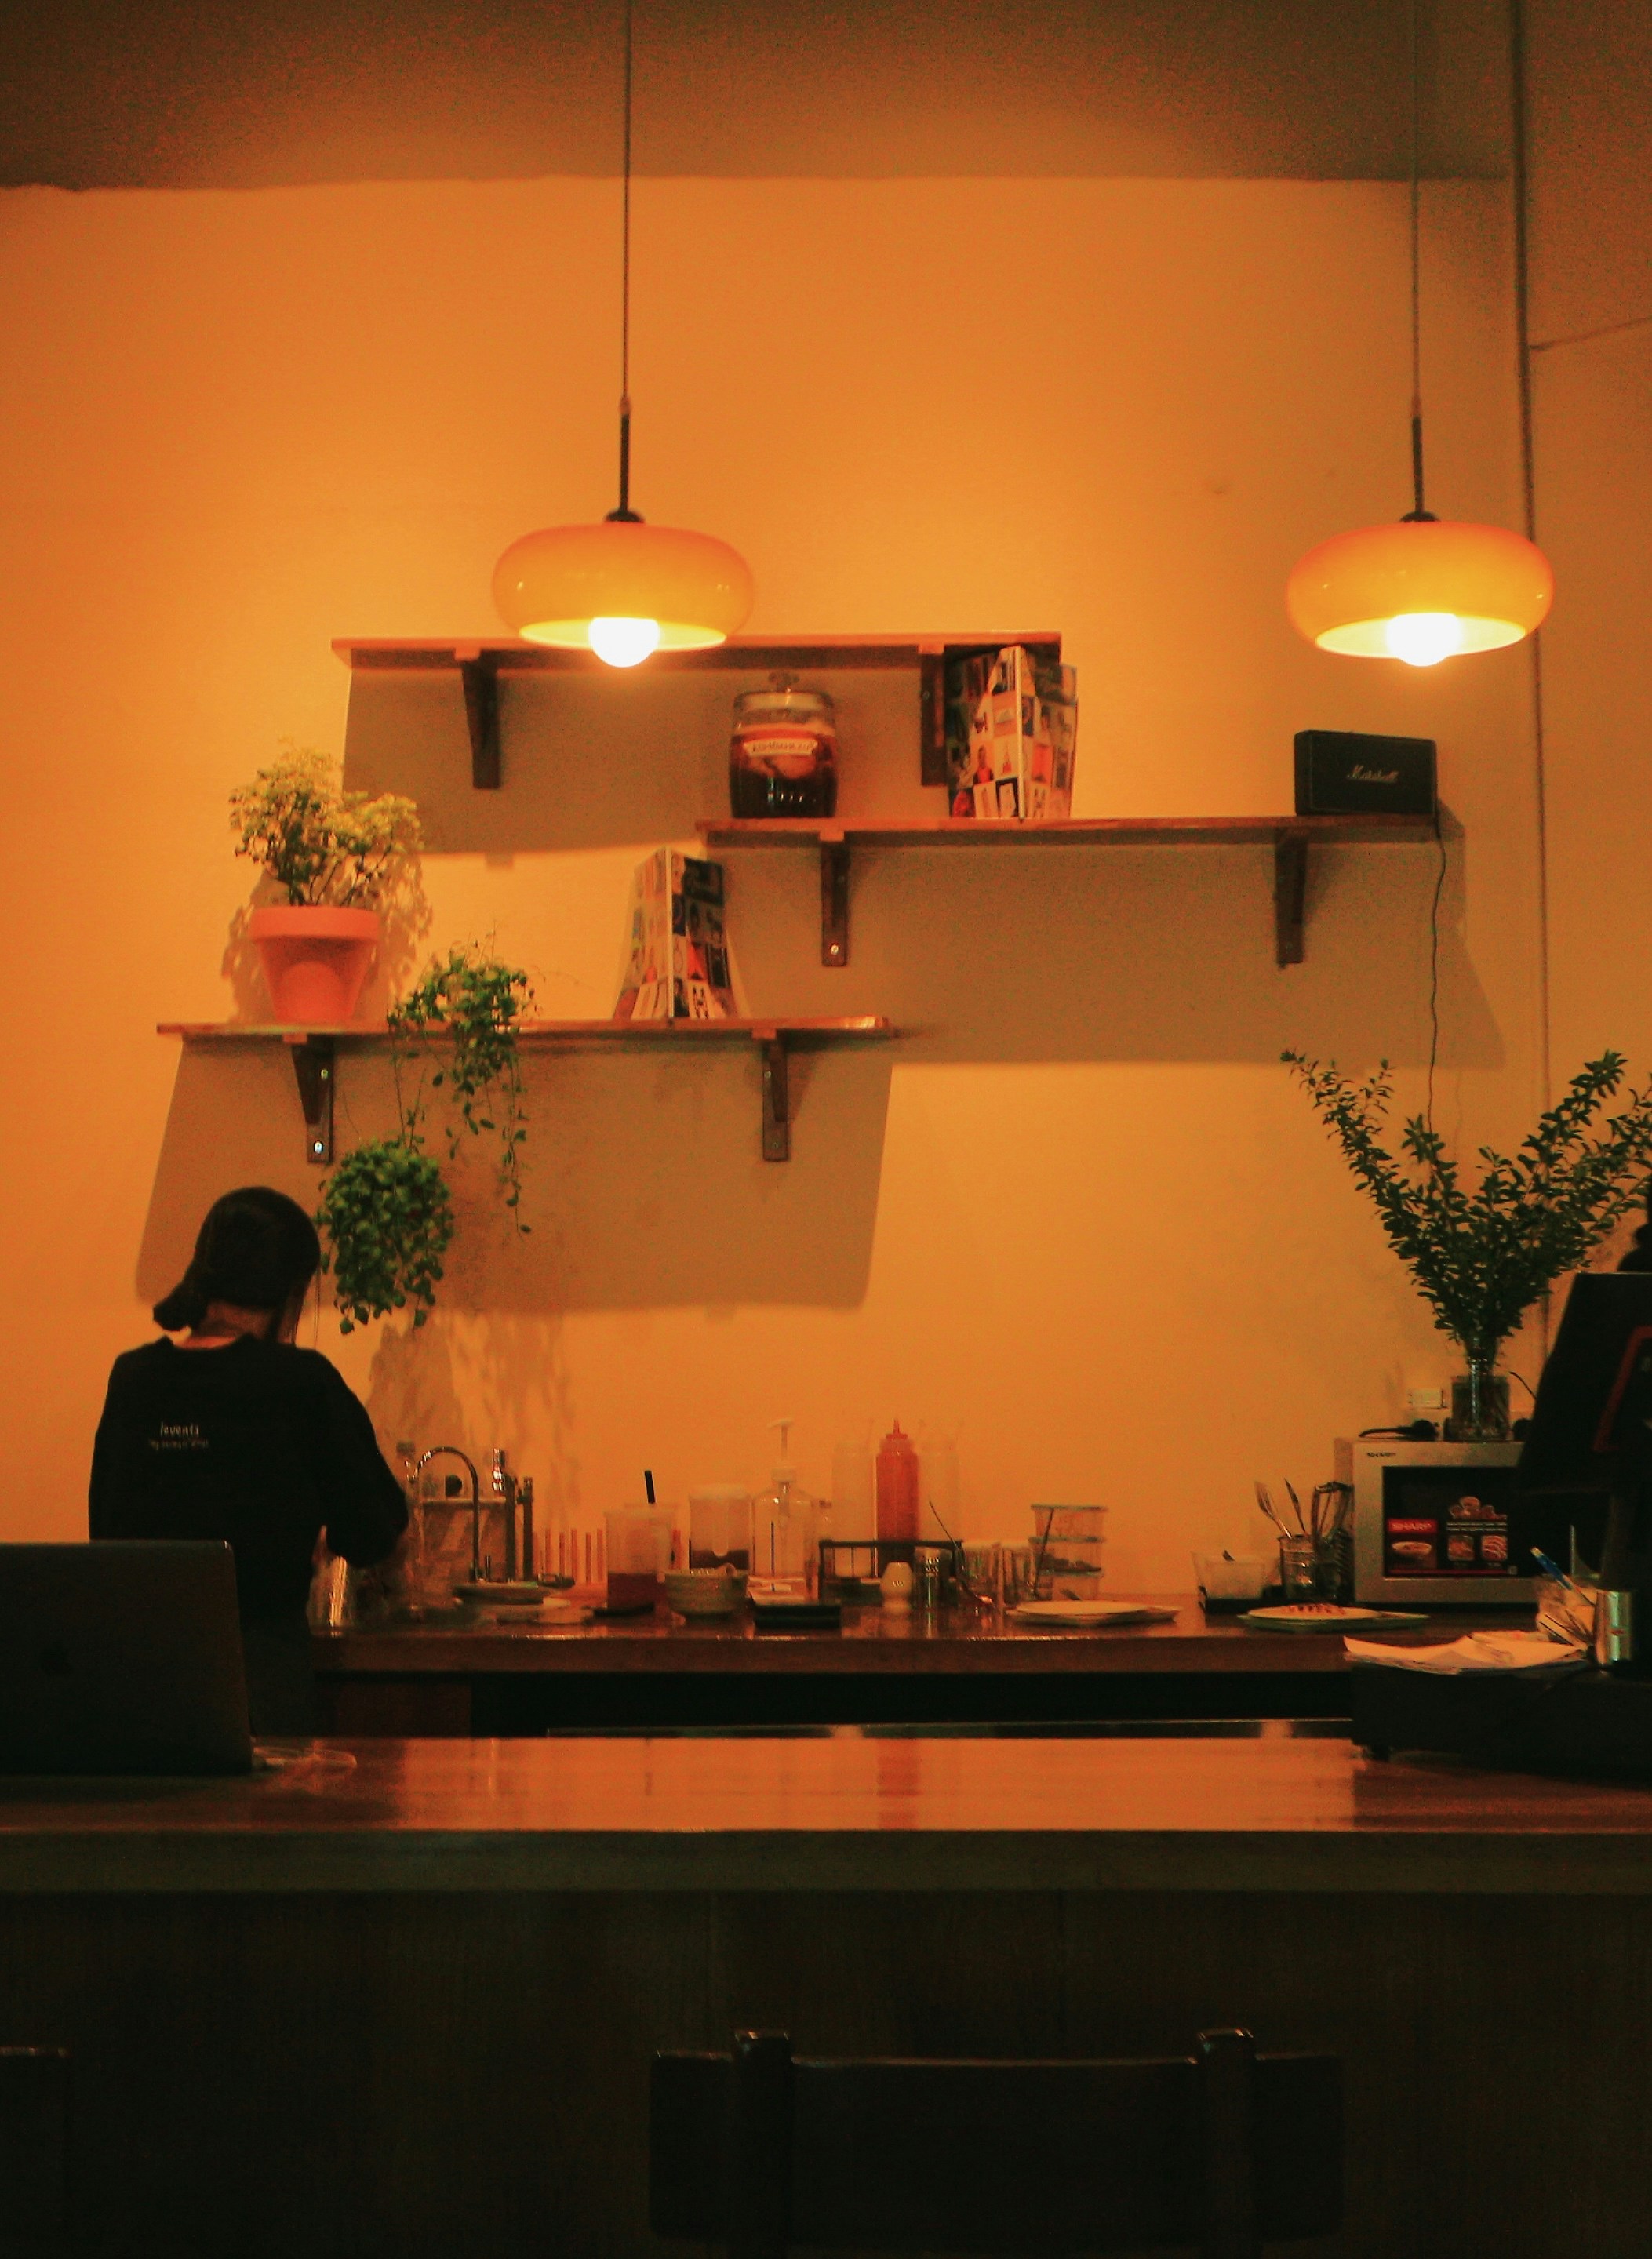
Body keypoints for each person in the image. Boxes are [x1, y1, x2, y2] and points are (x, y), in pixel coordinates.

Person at [89, 1186, 407, 1734]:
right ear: (294, 1290)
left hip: (137, 1691)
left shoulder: (134, 1380)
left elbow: (108, 1535)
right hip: (259, 1689)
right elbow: (376, 1531)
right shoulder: (300, 1382)